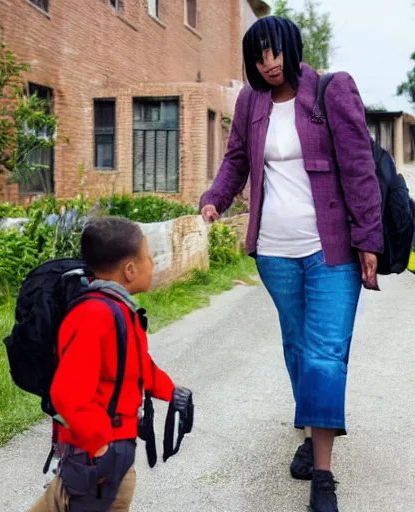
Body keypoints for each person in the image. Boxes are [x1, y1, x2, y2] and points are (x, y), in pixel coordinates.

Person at [200, 16, 383, 512]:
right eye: (259, 56)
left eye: (275, 52)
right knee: (298, 347)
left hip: (332, 250)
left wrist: (369, 239)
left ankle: (323, 477)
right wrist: (214, 198)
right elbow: (236, 160)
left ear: (291, 48)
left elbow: (360, 169)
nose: (269, 63)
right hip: (275, 252)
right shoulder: (251, 101)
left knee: (325, 351)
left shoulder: (329, 90)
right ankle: (310, 430)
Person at [29, 216, 189, 512]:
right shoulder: (95, 315)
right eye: (149, 257)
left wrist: (170, 390)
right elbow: (67, 392)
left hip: (113, 452)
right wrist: (99, 442)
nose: (152, 264)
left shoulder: (120, 310)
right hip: (95, 456)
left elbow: (137, 363)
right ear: (130, 270)